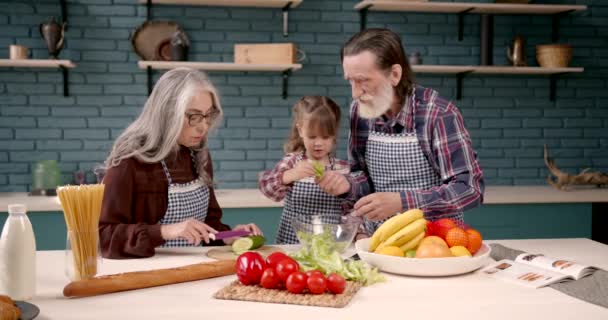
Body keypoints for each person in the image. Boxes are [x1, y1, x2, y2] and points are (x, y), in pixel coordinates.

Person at [316, 28, 484, 236]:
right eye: (350, 80)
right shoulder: (359, 112)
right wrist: (347, 185)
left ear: (394, 74)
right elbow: (363, 175)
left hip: (436, 241)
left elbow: (469, 189)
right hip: (380, 238)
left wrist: (402, 202)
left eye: (363, 80)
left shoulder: (438, 114)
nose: (355, 93)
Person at [99, 67, 262, 259]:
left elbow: (209, 226)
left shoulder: (199, 156)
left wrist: (231, 236)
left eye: (208, 115)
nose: (204, 126)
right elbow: (102, 236)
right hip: (145, 274)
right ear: (167, 113)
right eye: (193, 116)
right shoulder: (129, 161)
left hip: (192, 270)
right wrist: (165, 231)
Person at [258, 96, 351, 244]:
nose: (318, 143)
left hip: (329, 243)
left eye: (325, 137)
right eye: (312, 136)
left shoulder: (343, 169)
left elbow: (351, 210)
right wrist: (289, 175)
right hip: (292, 241)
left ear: (334, 135)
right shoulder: (291, 162)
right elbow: (267, 189)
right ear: (301, 130)